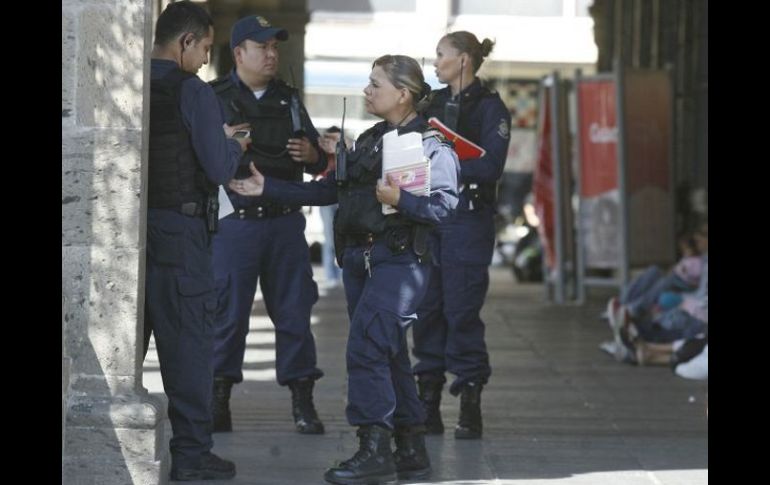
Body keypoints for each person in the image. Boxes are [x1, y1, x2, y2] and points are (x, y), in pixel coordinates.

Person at [230, 54, 460, 485]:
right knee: (388, 352)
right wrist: (270, 187)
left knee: (367, 347)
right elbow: (332, 192)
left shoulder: (431, 144)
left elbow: (446, 207)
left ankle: (374, 449)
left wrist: (401, 202)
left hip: (400, 260)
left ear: (403, 94)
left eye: (375, 84)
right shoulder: (373, 138)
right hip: (361, 260)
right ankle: (410, 449)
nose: (367, 91)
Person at [144, 1, 249, 481]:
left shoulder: (132, 82)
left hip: (131, 232)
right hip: (181, 235)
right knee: (189, 345)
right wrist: (233, 144)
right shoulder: (193, 91)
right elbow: (219, 168)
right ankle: (190, 454)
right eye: (205, 47)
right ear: (185, 42)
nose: (207, 58)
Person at [208, 15, 327, 435]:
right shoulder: (212, 97)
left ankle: (302, 401)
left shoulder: (290, 100)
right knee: (227, 316)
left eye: (275, 46)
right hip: (234, 224)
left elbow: (322, 163)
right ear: (239, 53)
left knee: (295, 314)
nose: (272, 54)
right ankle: (218, 400)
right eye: (263, 47)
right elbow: (192, 160)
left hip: (283, 225)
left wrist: (313, 156)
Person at [411, 31, 512, 439]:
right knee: (426, 309)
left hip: (468, 220)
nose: (434, 62)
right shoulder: (429, 104)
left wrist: (439, 167)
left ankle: (470, 403)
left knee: (462, 311)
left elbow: (490, 168)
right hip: (429, 219)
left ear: (464, 60)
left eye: (441, 55)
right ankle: (428, 403)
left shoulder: (491, 109)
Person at [317, 126, 344, 288]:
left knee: (341, 236)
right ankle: (330, 275)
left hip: (341, 196)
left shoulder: (344, 151)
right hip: (327, 196)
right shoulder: (323, 153)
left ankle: (339, 275)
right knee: (329, 236)